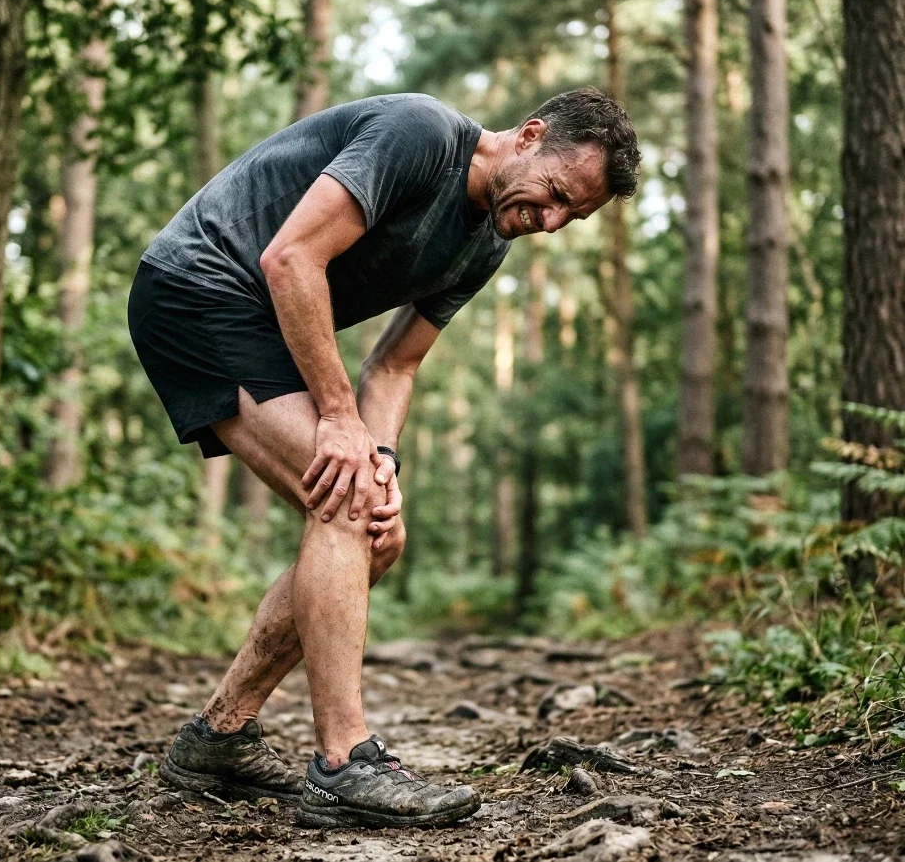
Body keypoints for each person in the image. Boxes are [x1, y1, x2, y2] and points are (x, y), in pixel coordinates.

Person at [129, 88, 639, 828]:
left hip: (264, 319)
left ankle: (221, 733)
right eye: (556, 194)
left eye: (573, 217)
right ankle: (343, 763)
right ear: (529, 136)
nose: (552, 222)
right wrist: (339, 419)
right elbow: (291, 257)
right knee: (345, 501)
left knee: (376, 528)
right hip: (199, 288)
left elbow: (395, 367)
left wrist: (383, 457)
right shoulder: (420, 135)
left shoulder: (487, 242)